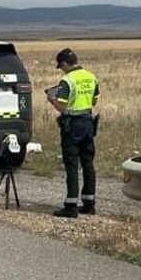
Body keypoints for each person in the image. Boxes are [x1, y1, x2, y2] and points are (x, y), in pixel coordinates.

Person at [47, 48, 100, 218]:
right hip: (88, 124)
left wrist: (52, 100)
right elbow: (94, 100)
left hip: (72, 126)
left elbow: (62, 106)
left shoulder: (67, 80)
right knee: (88, 164)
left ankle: (71, 205)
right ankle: (89, 203)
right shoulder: (91, 76)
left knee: (71, 165)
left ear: (63, 64)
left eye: (60, 66)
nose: (61, 69)